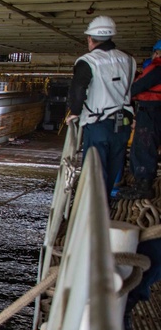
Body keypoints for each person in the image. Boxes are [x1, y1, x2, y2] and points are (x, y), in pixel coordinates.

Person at [66, 15, 136, 197]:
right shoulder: (128, 60)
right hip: (123, 124)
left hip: (98, 124)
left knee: (94, 170)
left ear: (90, 39)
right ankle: (104, 206)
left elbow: (78, 89)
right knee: (112, 168)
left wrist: (74, 112)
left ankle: (91, 213)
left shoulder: (88, 61)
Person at [121, 40, 161, 199]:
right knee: (144, 148)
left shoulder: (158, 69)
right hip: (151, 111)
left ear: (157, 53)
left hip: (151, 112)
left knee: (143, 148)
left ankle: (143, 188)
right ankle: (141, 184)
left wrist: (119, 96)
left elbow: (139, 86)